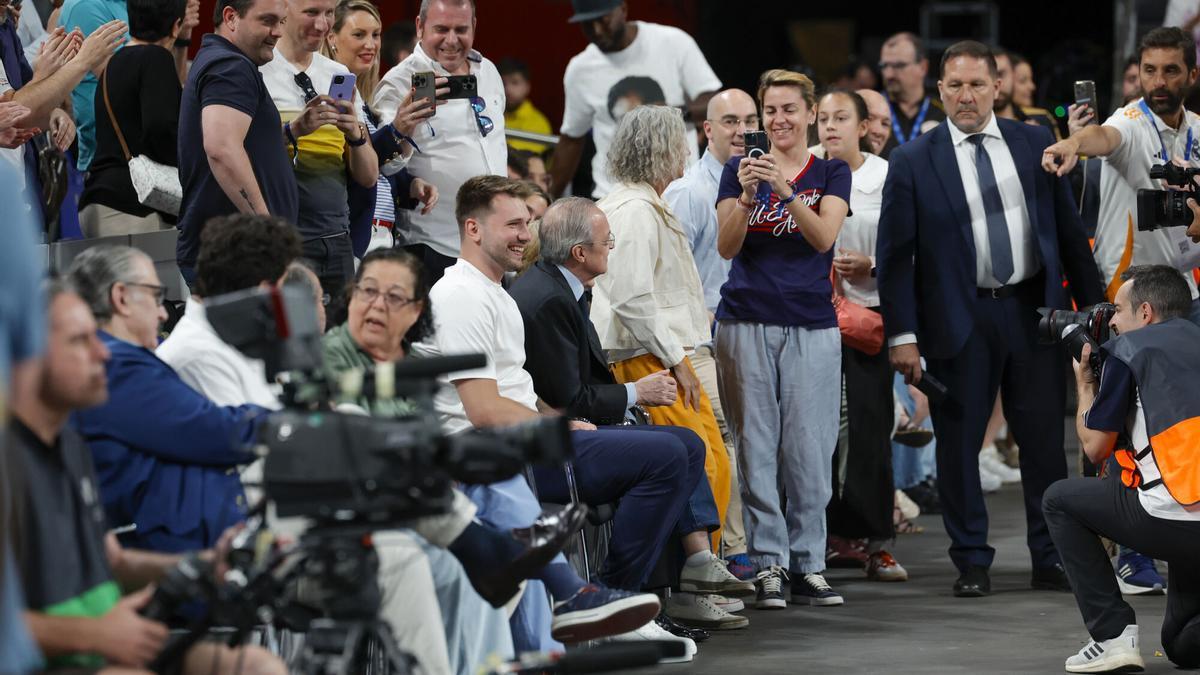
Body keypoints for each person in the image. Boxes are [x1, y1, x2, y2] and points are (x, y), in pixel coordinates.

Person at [159, 217, 522, 675]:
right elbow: (267, 444)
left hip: (295, 500)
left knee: (442, 542)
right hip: (257, 521)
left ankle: (486, 561)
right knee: (419, 549)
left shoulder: (233, 342)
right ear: (265, 289)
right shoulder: (199, 351)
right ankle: (483, 549)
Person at [421, 174, 707, 655]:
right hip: (497, 458)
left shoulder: (496, 292)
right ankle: (613, 601)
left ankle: (610, 601)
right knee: (666, 455)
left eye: (527, 223)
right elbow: (483, 408)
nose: (524, 235)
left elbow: (520, 391)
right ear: (472, 229)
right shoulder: (460, 296)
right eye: (512, 224)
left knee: (682, 444)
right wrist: (554, 423)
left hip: (530, 442)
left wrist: (557, 416)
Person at [877, 40, 1105, 598]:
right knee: (958, 447)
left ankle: (1051, 557)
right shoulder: (913, 160)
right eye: (954, 85)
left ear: (997, 87)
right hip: (960, 316)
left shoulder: (1034, 142)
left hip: (1034, 310)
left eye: (977, 84)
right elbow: (895, 258)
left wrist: (1097, 311)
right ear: (940, 92)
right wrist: (902, 336)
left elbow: (1068, 234)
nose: (966, 95)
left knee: (1045, 443)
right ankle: (972, 560)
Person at [10, 280, 285, 674]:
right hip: (56, 655)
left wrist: (204, 564)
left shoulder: (71, 448)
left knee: (259, 666)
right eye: (79, 341)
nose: (102, 353)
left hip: (105, 642)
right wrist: (94, 634)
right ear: (29, 356)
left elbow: (116, 563)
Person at [509, 197, 754, 632]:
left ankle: (690, 566)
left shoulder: (564, 288)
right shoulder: (548, 299)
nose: (613, 247)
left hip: (574, 430)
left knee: (684, 440)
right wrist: (634, 393)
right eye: (608, 241)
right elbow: (570, 398)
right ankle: (619, 593)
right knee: (666, 453)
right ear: (580, 253)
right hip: (554, 444)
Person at [713, 69, 850, 610]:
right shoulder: (736, 170)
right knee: (756, 445)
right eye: (770, 111)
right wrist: (748, 195)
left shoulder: (832, 170)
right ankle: (770, 563)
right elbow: (726, 249)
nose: (779, 120)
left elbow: (822, 239)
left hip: (812, 325)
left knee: (811, 448)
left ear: (810, 114)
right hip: (745, 320)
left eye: (790, 109)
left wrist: (785, 191)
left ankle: (809, 563)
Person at [1043, 264, 1200, 674]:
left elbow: (1095, 449)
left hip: (1174, 516)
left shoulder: (1128, 351)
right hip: (1189, 512)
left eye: (1118, 310)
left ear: (1145, 313)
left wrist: (1084, 386)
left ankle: (1113, 637)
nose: (1111, 320)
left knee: (1060, 500)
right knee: (1184, 644)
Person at [591, 105, 732, 553]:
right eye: (680, 142)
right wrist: (677, 362)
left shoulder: (642, 204)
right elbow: (632, 298)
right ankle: (694, 575)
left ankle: (703, 571)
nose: (686, 153)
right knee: (702, 466)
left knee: (711, 462)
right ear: (665, 149)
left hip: (660, 352)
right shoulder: (634, 210)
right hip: (646, 357)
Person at [67, 245, 270, 553]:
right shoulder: (115, 365)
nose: (163, 312)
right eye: (155, 296)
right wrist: (287, 418)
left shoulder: (122, 362)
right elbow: (216, 432)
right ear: (121, 297)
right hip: (173, 564)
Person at [662, 88, 757, 580]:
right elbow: (669, 273)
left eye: (749, 119)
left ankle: (746, 546)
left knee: (747, 440)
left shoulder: (758, 182)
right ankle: (732, 549)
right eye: (730, 121)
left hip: (741, 327)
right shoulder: (688, 191)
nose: (742, 130)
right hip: (700, 335)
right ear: (708, 130)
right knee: (723, 440)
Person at [1043, 27, 1200, 323]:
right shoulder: (1130, 120)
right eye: (1149, 70)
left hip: (1184, 288)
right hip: (1129, 294)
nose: (1159, 82)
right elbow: (1104, 135)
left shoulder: (1197, 127)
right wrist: (1073, 143)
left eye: (1171, 71)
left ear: (1193, 75)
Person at [816, 88, 907, 583]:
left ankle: (876, 540)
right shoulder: (805, 172)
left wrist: (871, 264)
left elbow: (908, 245)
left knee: (871, 428)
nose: (830, 127)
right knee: (817, 432)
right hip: (811, 317)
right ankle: (828, 537)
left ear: (863, 125)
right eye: (824, 118)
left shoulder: (884, 174)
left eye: (841, 118)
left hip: (866, 314)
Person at [373, 0, 507, 286]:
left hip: (491, 245)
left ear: (474, 27)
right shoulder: (398, 83)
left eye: (461, 29)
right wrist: (401, 128)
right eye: (441, 29)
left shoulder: (489, 72)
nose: (451, 40)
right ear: (420, 27)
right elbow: (381, 167)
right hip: (432, 245)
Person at [261, 0, 379, 307]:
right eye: (312, 13)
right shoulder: (258, 70)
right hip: (282, 241)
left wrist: (355, 133)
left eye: (329, 13)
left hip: (338, 239)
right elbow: (244, 155)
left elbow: (368, 176)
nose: (323, 24)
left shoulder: (338, 73)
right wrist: (294, 131)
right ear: (283, 10)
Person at [175, 0, 298, 285]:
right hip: (240, 262)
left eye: (282, 21)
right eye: (267, 20)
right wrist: (268, 233)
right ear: (231, 17)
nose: (278, 31)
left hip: (240, 256)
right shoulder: (230, 65)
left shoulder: (226, 62)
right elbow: (222, 149)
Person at [550, 0, 721, 199]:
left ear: (623, 9)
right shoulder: (580, 69)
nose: (596, 30)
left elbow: (715, 103)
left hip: (680, 191)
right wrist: (548, 197)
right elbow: (571, 139)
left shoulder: (672, 42)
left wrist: (666, 116)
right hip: (612, 195)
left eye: (603, 21)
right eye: (587, 24)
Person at [321, 0, 438, 259]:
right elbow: (355, 162)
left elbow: (379, 167)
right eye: (359, 34)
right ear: (332, 38)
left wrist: (410, 184)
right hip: (350, 242)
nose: (370, 44)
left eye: (376, 35)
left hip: (384, 238)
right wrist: (397, 129)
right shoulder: (327, 96)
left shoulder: (365, 104)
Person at [78, 0, 185, 238]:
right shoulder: (156, 58)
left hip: (101, 197)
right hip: (133, 205)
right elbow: (160, 127)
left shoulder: (114, 63)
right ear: (176, 26)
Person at [57, 0, 198, 172]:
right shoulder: (84, 6)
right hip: (114, 161)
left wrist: (179, 38)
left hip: (148, 160)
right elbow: (125, 86)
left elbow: (172, 84)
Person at [878, 31, 945, 158]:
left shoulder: (945, 112)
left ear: (923, 67)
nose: (889, 74)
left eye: (898, 65)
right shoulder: (869, 111)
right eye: (884, 65)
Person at [992, 47, 1059, 139]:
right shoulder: (973, 125)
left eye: (1002, 74)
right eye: (1023, 80)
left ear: (1013, 75)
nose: (996, 82)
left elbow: (1062, 151)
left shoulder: (1040, 119)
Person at [499, 57, 551, 155]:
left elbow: (516, 159)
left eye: (515, 82)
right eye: (503, 83)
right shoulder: (489, 114)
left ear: (527, 87)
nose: (508, 89)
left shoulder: (539, 123)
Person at [858, 88, 893, 155]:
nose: (878, 131)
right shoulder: (832, 163)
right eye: (869, 118)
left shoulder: (888, 165)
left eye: (885, 124)